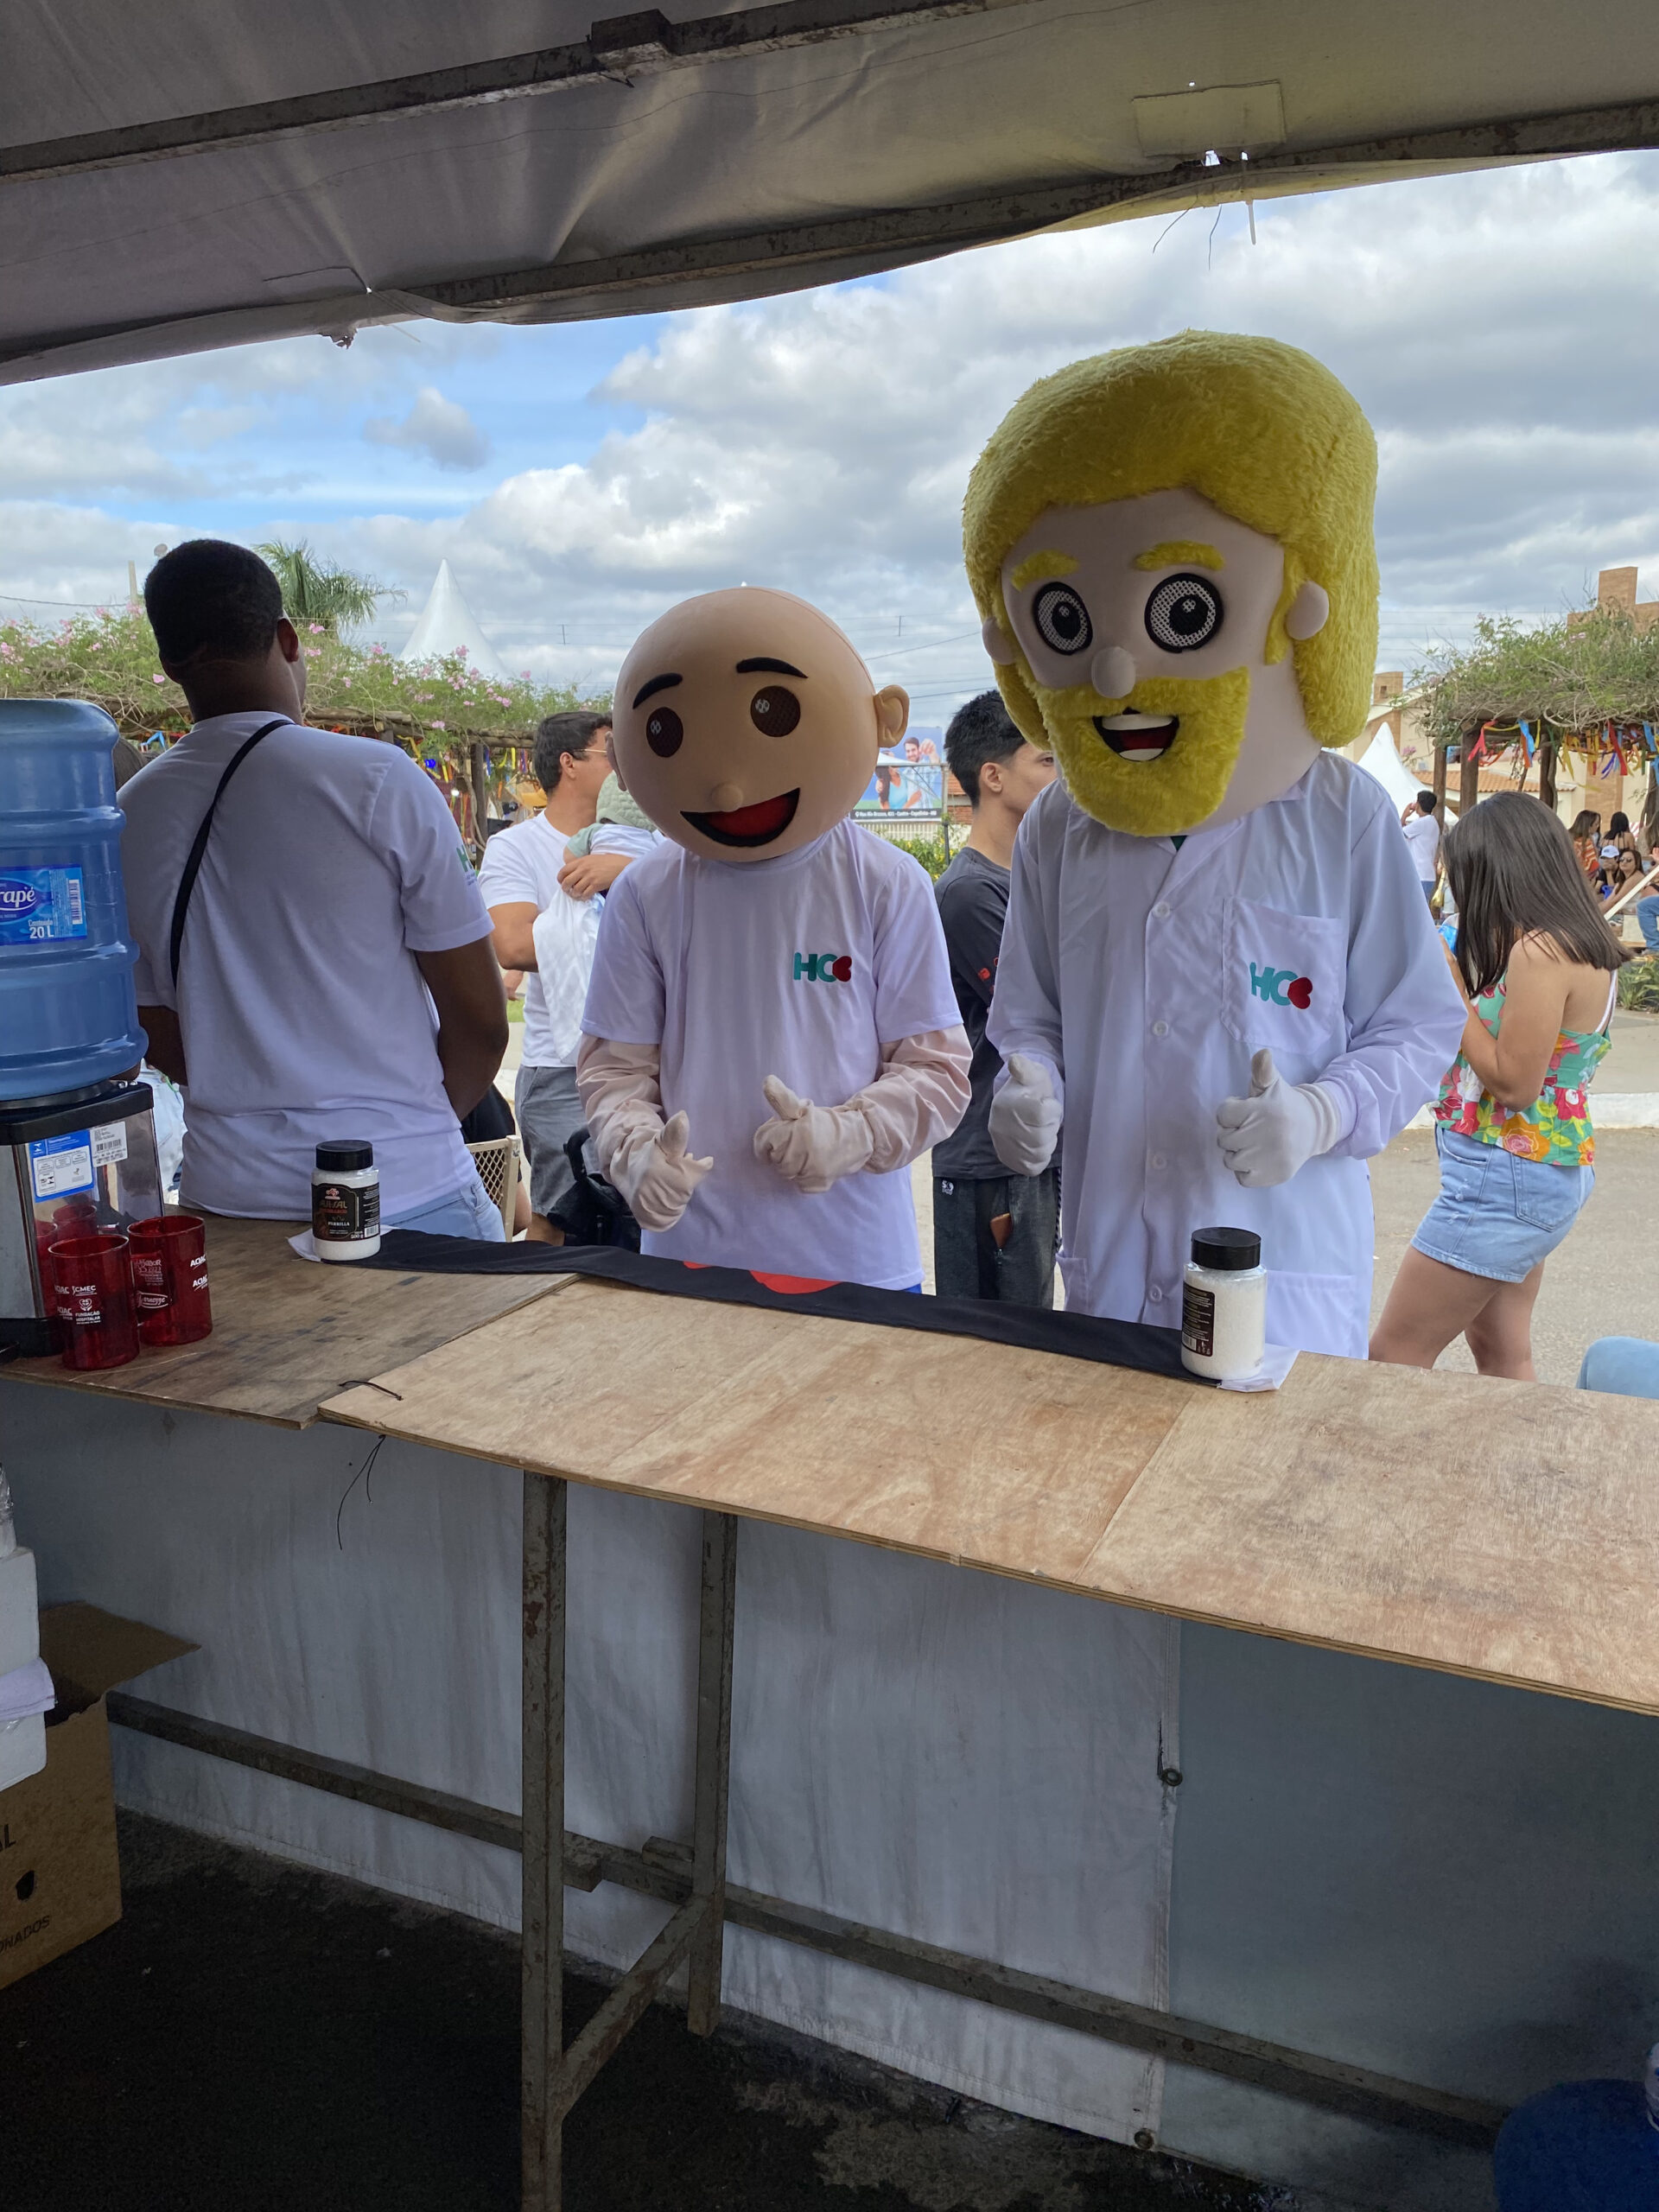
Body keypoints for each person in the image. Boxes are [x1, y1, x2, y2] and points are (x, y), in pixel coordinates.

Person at [964, 333, 1466, 1356]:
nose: (1117, 671)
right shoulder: (1062, 823)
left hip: (1285, 1274)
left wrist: (1321, 1114)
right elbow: (1030, 1010)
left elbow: (1418, 1024)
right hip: (1111, 1269)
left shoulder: (1342, 815)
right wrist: (1030, 1085)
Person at [576, 586, 969, 1289]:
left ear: (881, 717)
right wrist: (632, 1151)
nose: (729, 788)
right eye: (666, 731)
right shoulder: (647, 891)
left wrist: (853, 1133)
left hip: (854, 1260)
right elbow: (615, 1067)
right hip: (690, 1256)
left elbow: (936, 1067)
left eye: (773, 712)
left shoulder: (886, 882)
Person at [119, 539, 508, 1236]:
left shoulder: (127, 815)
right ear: (287, 639)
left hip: (227, 1198)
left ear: (169, 664)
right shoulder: (379, 780)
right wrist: (408, 1133)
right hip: (406, 1191)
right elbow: (480, 1019)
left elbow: (158, 1035)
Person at [1370, 792, 1630, 1381]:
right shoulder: (1581, 941)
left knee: (1393, 1356)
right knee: (1502, 1351)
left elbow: (1514, 1083)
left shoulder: (1541, 951)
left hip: (1504, 1176)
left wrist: (1453, 992)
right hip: (1539, 1168)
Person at [931, 691, 1059, 1302]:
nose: (1062, 777)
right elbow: (1046, 1008)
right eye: (1047, 761)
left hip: (1028, 1151)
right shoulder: (969, 894)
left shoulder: (1029, 884)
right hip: (986, 1159)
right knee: (993, 1339)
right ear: (993, 776)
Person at [475, 710, 615, 1240]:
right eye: (612, 752)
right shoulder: (516, 847)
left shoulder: (643, 846)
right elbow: (513, 942)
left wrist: (625, 873)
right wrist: (634, 932)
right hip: (563, 1068)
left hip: (649, 1062)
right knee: (562, 1223)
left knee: (644, 1219)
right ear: (569, 763)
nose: (627, 766)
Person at [1401, 787, 1441, 903]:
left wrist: (1404, 815)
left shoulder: (1422, 822)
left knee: (1414, 907)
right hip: (1427, 874)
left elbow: (1398, 834)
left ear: (1418, 804)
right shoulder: (1431, 822)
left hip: (1420, 874)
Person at [1568, 809, 1602, 883]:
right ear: (1588, 826)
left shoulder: (1566, 837)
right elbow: (1592, 866)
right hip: (1581, 880)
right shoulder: (1586, 842)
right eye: (1596, 824)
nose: (1597, 827)